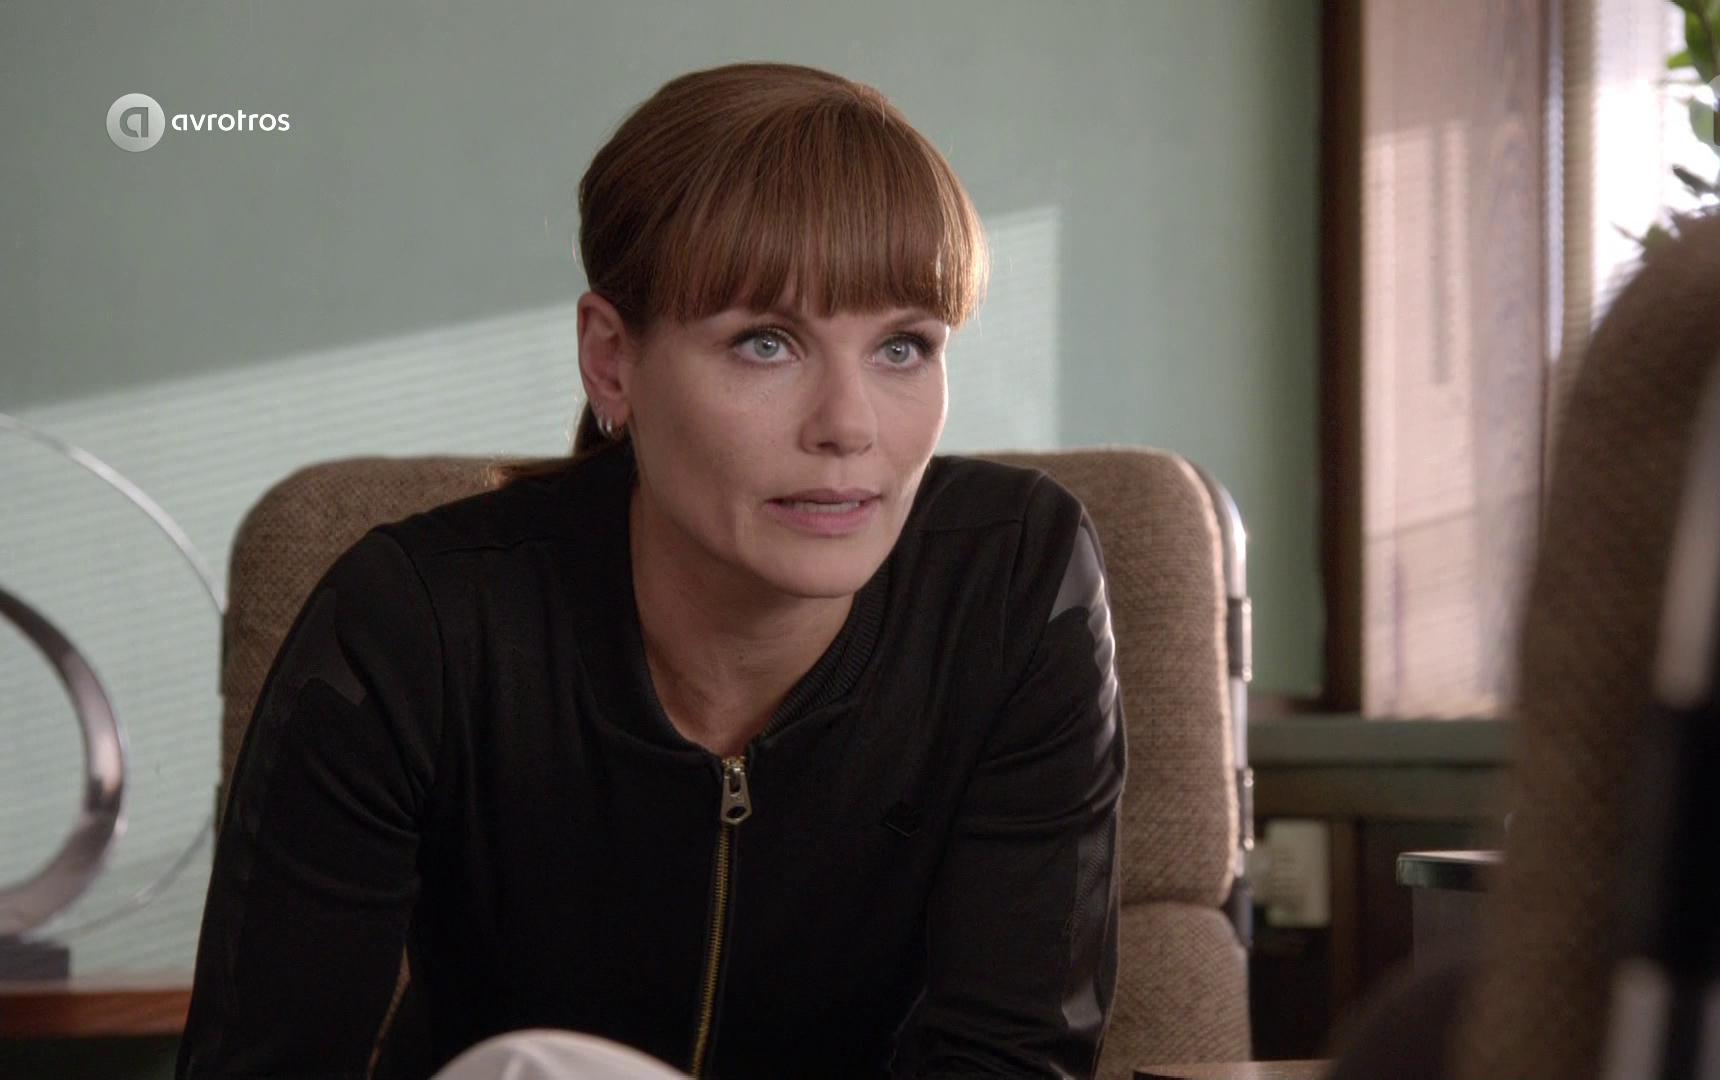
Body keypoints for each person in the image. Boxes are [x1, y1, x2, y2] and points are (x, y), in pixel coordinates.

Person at [175, 62, 1127, 1079]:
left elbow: (1012, 1061)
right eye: (766, 343)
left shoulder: (1013, 584)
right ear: (611, 360)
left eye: (903, 348)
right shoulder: (415, 626)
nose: (849, 427)